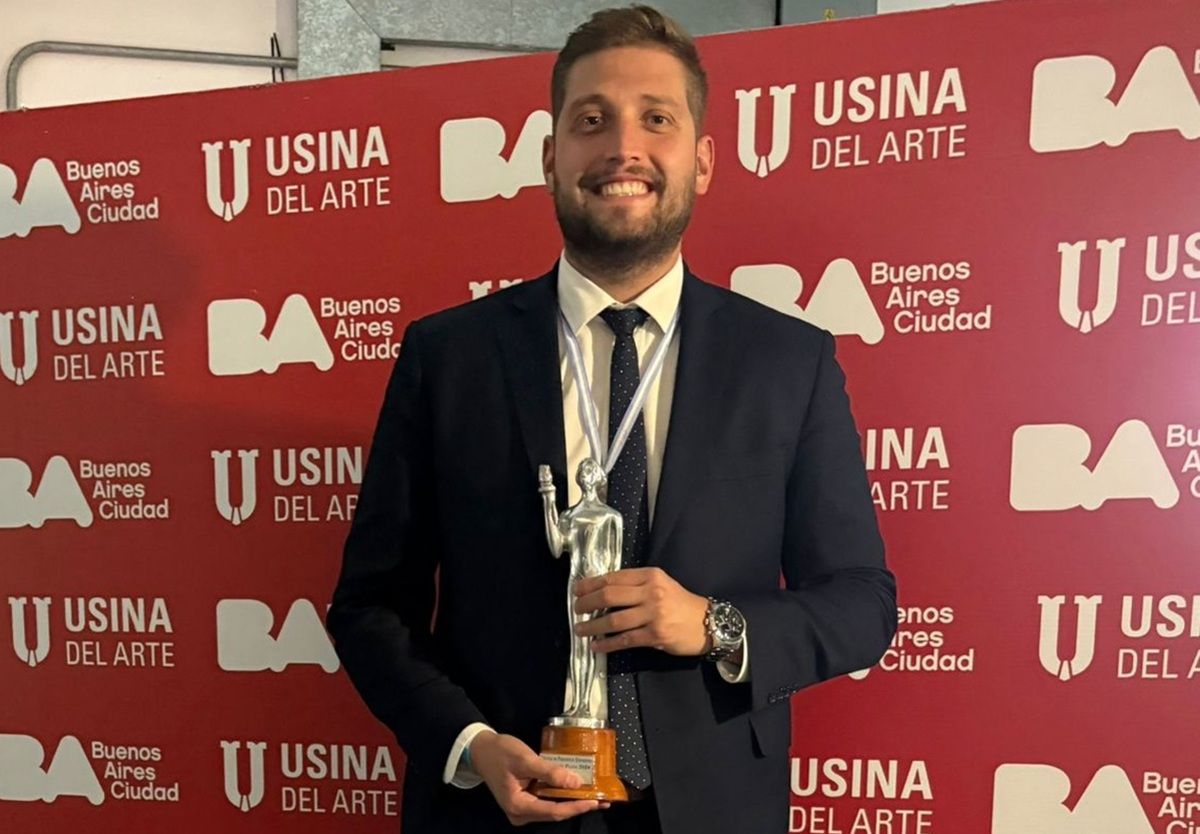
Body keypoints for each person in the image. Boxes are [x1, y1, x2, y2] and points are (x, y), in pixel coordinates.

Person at [327, 6, 897, 833]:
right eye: (591, 120)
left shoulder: (788, 362)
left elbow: (862, 603)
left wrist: (716, 625)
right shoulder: (448, 357)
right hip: (495, 809)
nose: (623, 148)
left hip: (715, 810)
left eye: (656, 119)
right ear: (550, 158)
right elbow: (370, 607)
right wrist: (471, 745)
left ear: (703, 160)